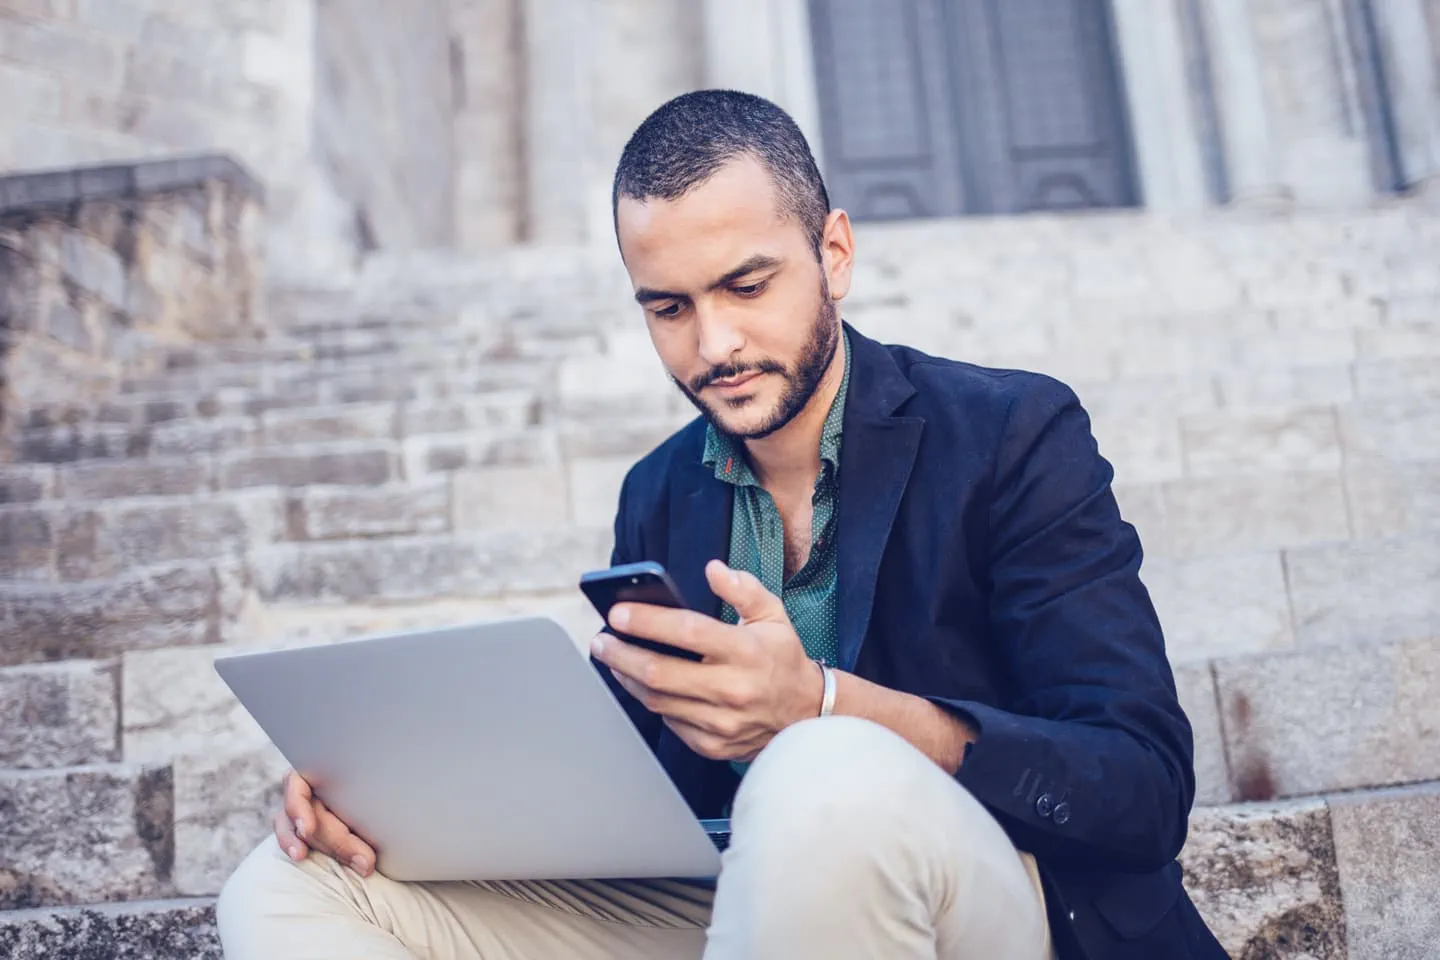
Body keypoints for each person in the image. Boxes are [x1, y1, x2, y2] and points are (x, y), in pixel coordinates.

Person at [217, 90, 1227, 960]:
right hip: (744, 904)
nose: (716, 343)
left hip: (1010, 903)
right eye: (668, 307)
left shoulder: (1011, 433)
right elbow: (632, 788)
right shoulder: (658, 493)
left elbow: (1140, 788)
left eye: (747, 285)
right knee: (286, 887)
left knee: (821, 774)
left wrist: (826, 707)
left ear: (833, 252)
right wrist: (396, 802)